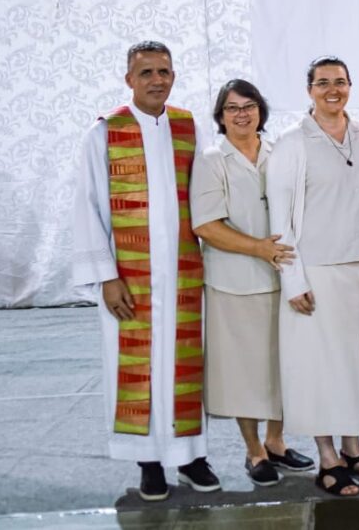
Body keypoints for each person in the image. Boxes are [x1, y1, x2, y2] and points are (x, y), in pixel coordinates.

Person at [73, 41, 220, 502]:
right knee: (135, 368)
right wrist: (106, 275)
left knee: (185, 366)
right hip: (130, 276)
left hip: (183, 272)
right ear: (129, 79)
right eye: (147, 73)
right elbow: (87, 207)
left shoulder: (186, 127)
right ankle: (149, 462)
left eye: (165, 71)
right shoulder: (104, 133)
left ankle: (191, 455)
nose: (157, 80)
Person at [267, 56, 359, 497]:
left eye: (340, 82)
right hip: (318, 269)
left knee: (358, 362)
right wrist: (292, 279)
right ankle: (327, 456)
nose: (332, 90)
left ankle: (354, 447)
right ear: (309, 90)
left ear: (350, 86)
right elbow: (279, 219)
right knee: (322, 365)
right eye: (323, 83)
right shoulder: (291, 143)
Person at [189, 79, 314, 487]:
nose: (241, 114)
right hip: (234, 282)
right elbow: (206, 225)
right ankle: (254, 450)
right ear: (220, 117)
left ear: (261, 109)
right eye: (231, 108)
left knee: (283, 367)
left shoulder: (280, 153)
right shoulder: (212, 160)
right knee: (244, 372)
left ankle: (277, 442)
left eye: (249, 105)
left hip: (283, 278)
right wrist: (259, 248)